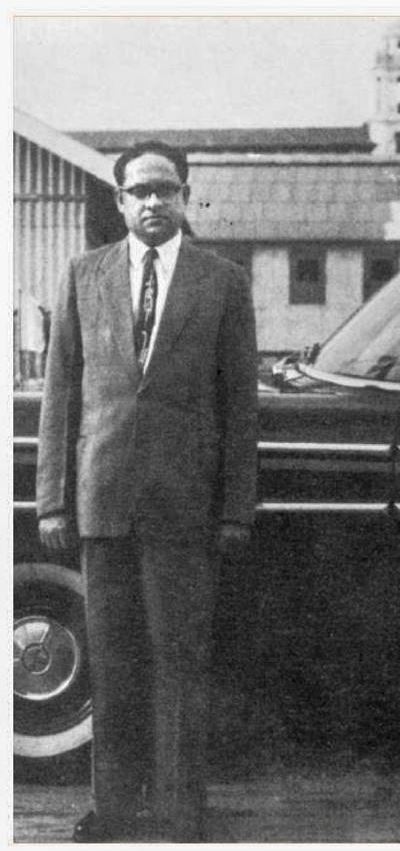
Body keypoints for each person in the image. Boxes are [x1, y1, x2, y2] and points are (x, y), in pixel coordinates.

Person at [36, 140, 258, 842]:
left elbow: (240, 404)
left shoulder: (223, 281)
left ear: (186, 195)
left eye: (166, 189)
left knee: (180, 660)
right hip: (102, 502)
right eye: (140, 191)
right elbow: (60, 394)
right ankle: (114, 808)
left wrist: (235, 507)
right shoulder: (83, 275)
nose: (153, 201)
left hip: (186, 505)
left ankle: (180, 810)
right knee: (112, 661)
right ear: (120, 200)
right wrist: (52, 500)